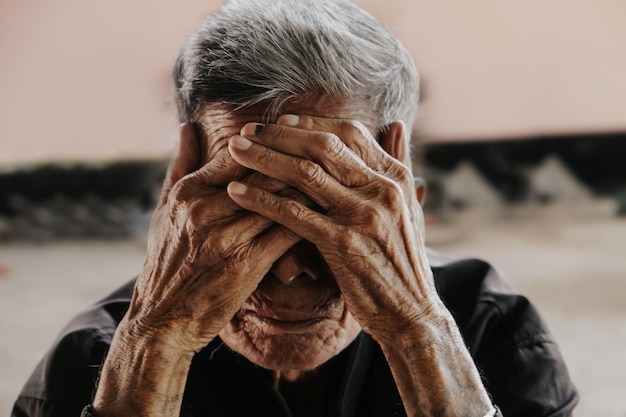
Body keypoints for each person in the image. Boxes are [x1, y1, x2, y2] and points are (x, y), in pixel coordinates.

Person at [12, 0, 578, 416]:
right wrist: (158, 339)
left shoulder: (493, 333)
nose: (287, 268)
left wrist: (417, 332)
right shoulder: (94, 362)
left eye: (331, 213)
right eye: (246, 212)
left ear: (408, 215)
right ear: (177, 214)